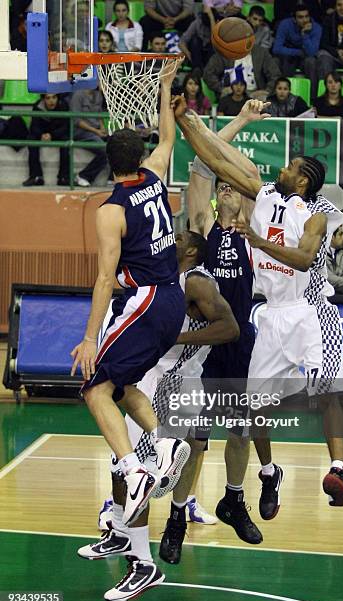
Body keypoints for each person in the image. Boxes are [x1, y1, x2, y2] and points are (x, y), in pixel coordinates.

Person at [174, 99, 343, 512]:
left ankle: (338, 469)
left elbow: (306, 258)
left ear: (303, 182)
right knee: (255, 409)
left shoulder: (318, 214)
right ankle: (269, 472)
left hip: (310, 311)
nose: (281, 169)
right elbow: (218, 157)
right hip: (270, 313)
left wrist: (258, 242)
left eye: (290, 167)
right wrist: (186, 120)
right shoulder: (266, 194)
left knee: (326, 390)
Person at [77, 229, 239, 601]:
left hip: (173, 385)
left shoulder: (196, 280)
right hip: (149, 378)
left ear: (194, 250)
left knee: (140, 474)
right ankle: (119, 532)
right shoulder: (162, 278)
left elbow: (230, 328)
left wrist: (174, 338)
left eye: (180, 237)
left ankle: (143, 564)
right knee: (122, 459)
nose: (172, 239)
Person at [70, 61, 190, 543]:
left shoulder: (111, 209)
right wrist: (163, 88)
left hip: (143, 300)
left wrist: (87, 337)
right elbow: (168, 138)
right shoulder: (156, 176)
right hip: (173, 300)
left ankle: (133, 468)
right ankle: (164, 444)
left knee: (94, 388)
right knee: (121, 385)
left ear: (108, 161)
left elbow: (104, 279)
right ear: (138, 158)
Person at [159, 101, 282, 566]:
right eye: (221, 187)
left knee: (241, 432)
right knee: (195, 441)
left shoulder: (255, 232)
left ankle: (234, 497)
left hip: (243, 346)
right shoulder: (204, 227)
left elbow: (240, 168)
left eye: (234, 187)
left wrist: (243, 139)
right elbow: (202, 163)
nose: (226, 188)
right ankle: (175, 518)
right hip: (204, 350)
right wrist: (240, 121)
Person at [273, 4, 321, 100]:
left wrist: (305, 35)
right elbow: (276, 49)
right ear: (294, 19)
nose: (304, 20)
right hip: (289, 56)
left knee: (311, 61)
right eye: (300, 17)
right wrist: (298, 52)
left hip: (305, 58)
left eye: (306, 16)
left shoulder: (316, 28)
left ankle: (312, 99)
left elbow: (312, 52)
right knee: (283, 61)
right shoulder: (285, 24)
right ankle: (283, 98)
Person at [22, 93, 69, 187]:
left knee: (66, 142)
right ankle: (36, 176)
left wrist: (52, 135)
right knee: (31, 140)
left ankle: (63, 177)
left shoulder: (63, 105)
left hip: (56, 134)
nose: (51, 101)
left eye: (54, 97)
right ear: (43, 99)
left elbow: (65, 126)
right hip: (42, 134)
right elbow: (34, 125)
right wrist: (41, 135)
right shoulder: (37, 106)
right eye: (48, 98)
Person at [203, 45, 279, 101]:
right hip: (231, 93)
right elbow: (208, 73)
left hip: (255, 93)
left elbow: (275, 75)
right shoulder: (225, 52)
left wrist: (267, 91)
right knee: (226, 97)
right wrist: (221, 88)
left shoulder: (261, 53)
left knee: (264, 99)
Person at [70, 87, 108, 187]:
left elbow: (99, 115)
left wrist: (102, 128)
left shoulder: (98, 95)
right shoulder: (78, 95)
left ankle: (112, 178)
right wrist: (96, 131)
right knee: (104, 150)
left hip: (97, 131)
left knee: (116, 143)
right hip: (81, 131)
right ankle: (83, 176)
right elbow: (77, 120)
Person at [179, 4, 218, 71]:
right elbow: (182, 42)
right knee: (195, 40)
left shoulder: (218, 25)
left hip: (211, 53)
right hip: (197, 54)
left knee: (214, 44)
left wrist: (211, 17)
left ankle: (208, 70)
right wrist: (188, 53)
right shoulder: (197, 22)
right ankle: (197, 69)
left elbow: (215, 38)